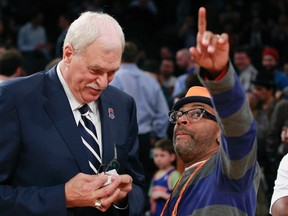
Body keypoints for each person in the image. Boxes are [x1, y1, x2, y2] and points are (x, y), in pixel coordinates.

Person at [0, 11, 145, 216]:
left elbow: (137, 185)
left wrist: (122, 199)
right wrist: (62, 197)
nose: (103, 82)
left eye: (112, 72)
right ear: (68, 54)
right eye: (95, 70)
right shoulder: (14, 99)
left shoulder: (123, 104)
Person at [161, 7, 260, 215]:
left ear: (221, 132)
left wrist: (219, 76)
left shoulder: (229, 170)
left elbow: (240, 131)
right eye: (179, 114)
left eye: (196, 113)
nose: (181, 120)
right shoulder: (183, 179)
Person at [110, 41, 169, 211]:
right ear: (137, 57)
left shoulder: (115, 78)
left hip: (122, 138)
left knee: (124, 182)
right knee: (146, 179)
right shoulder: (150, 80)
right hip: (146, 137)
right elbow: (162, 113)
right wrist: (156, 135)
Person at [149, 139, 181, 216]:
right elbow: (151, 196)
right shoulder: (156, 174)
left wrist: (162, 194)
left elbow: (180, 198)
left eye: (162, 155)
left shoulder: (174, 175)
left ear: (172, 157)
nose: (158, 159)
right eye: (156, 155)